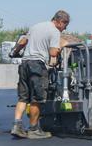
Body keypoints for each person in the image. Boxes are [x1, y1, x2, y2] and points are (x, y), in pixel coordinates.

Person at [11, 10, 70, 139]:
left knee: (23, 98)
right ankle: (33, 130)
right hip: (37, 65)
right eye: (65, 25)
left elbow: (22, 42)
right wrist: (61, 46)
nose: (64, 29)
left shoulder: (35, 26)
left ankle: (17, 125)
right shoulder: (54, 31)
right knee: (36, 99)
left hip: (25, 63)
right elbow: (53, 53)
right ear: (60, 22)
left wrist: (15, 52)